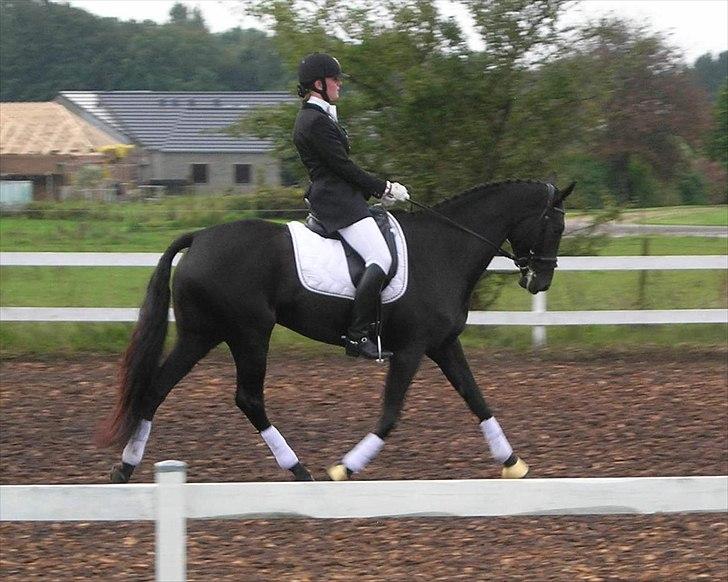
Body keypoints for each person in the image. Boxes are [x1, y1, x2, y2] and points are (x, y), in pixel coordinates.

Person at [292, 52, 409, 360]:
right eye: (335, 79)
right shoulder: (314, 121)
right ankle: (357, 335)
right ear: (318, 84)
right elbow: (343, 167)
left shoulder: (320, 116)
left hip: (341, 197)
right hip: (337, 203)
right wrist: (384, 188)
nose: (339, 84)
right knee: (380, 257)